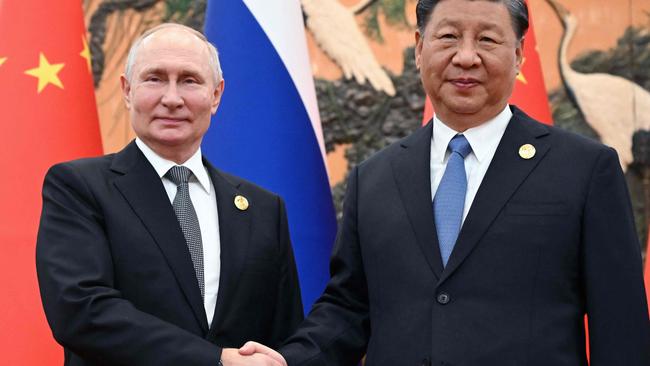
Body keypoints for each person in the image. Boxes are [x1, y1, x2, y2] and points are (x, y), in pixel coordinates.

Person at [240, 0, 650, 365]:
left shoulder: (583, 168)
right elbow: (349, 308)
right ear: (420, 48)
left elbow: (620, 322)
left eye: (488, 39)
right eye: (449, 36)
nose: (466, 56)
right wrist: (288, 361)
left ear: (520, 54)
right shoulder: (376, 176)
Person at [36, 23, 302, 366]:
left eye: (189, 80)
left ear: (216, 95)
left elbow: (284, 335)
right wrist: (215, 360)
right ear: (127, 90)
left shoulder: (263, 210)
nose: (172, 98)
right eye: (155, 78)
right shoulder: (78, 187)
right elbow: (81, 311)